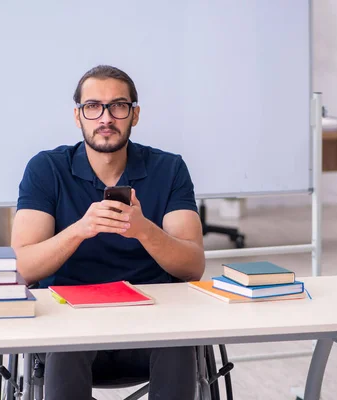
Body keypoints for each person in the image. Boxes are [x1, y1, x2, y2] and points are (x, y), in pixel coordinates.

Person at [11, 65, 205, 400]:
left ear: (135, 114)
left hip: (154, 320)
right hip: (70, 323)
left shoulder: (169, 169)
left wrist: (144, 230)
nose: (106, 118)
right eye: (92, 107)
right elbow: (22, 268)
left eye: (118, 106)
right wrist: (80, 230)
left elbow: (192, 266)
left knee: (178, 344)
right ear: (78, 116)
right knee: (66, 346)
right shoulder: (46, 169)